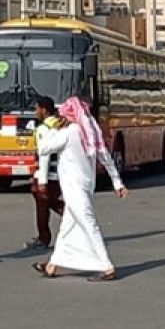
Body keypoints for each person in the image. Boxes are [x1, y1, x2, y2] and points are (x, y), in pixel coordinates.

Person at [31, 97, 128, 282]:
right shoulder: (89, 131)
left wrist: (47, 129)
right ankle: (53, 265)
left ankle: (107, 267)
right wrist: (117, 182)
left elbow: (44, 148)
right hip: (85, 185)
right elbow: (105, 156)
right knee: (67, 227)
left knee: (88, 224)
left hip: (74, 188)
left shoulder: (70, 132)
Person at [26, 96, 65, 251]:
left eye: (37, 108)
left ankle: (43, 238)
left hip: (47, 173)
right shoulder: (60, 124)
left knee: (42, 203)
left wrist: (41, 180)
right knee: (49, 201)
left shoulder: (44, 129)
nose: (36, 111)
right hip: (58, 172)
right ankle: (74, 216)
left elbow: (45, 155)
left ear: (44, 110)